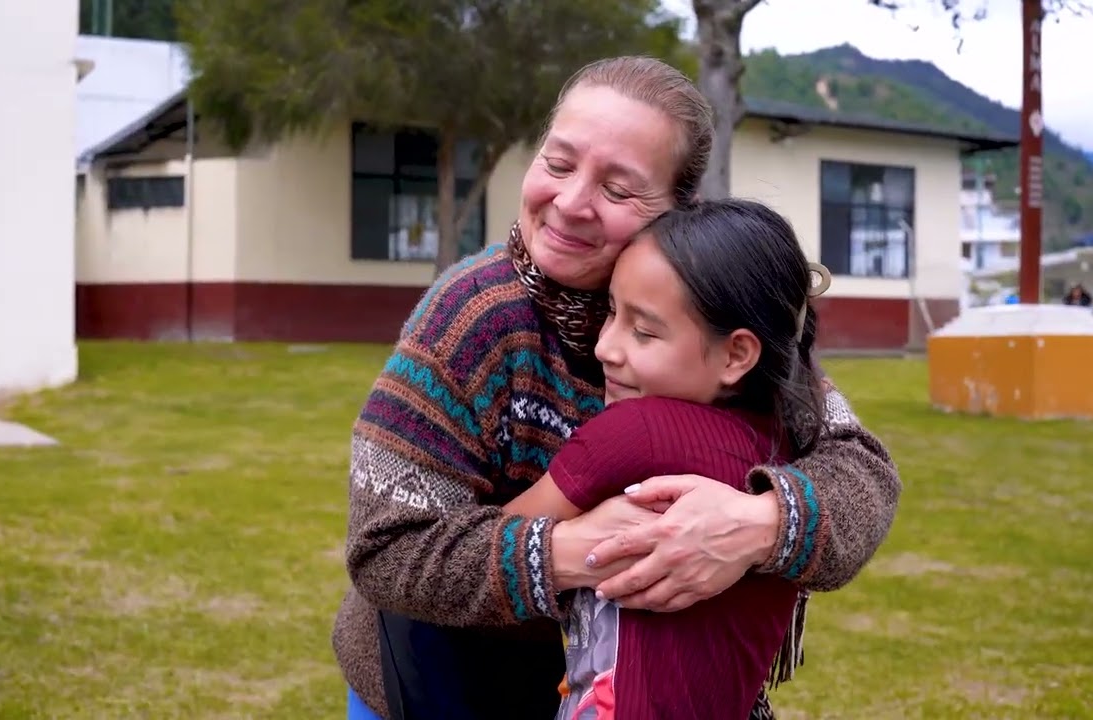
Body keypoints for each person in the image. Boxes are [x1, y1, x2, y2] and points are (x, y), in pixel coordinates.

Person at [333, 56, 901, 720]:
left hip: (649, 683)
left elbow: (863, 473)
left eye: (618, 188)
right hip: (444, 683)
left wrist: (753, 525)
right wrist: (579, 551)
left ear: (677, 213)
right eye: (558, 162)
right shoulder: (470, 317)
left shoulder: (708, 318)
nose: (571, 203)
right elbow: (386, 549)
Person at [503, 198, 832, 719]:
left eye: (645, 331)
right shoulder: (792, 449)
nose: (606, 347)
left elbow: (494, 545)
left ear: (736, 355)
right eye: (612, 311)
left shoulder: (632, 433)